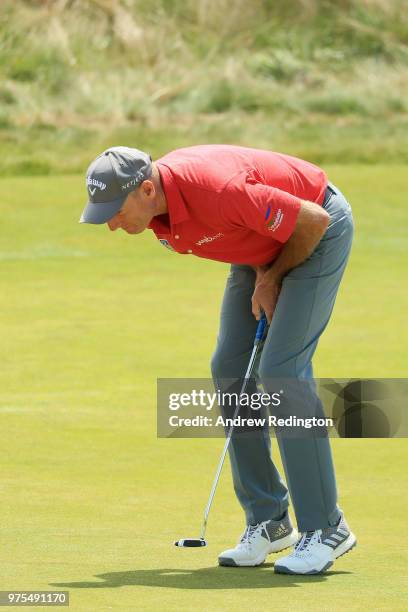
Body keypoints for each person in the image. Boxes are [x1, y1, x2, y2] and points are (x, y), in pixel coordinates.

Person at [79, 144, 356, 574]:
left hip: (316, 229)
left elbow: (312, 220)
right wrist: (261, 270)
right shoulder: (159, 214)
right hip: (258, 243)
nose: (112, 224)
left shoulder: (216, 188)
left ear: (148, 189)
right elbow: (240, 234)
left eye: (114, 211)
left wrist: (273, 276)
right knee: (229, 369)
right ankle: (269, 520)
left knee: (281, 371)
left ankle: (327, 527)